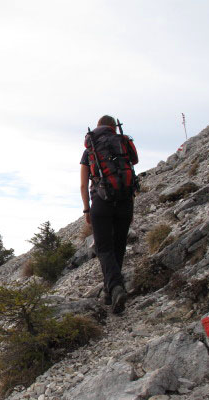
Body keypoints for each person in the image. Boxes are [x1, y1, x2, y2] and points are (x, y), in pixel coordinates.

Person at [80, 115, 138, 314]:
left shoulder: (91, 149)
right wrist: (131, 206)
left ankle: (115, 288)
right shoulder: (123, 143)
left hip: (101, 203)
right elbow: (131, 170)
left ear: (98, 127)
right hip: (125, 201)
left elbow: (82, 183)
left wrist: (86, 209)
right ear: (113, 127)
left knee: (104, 249)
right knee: (118, 246)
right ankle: (109, 293)